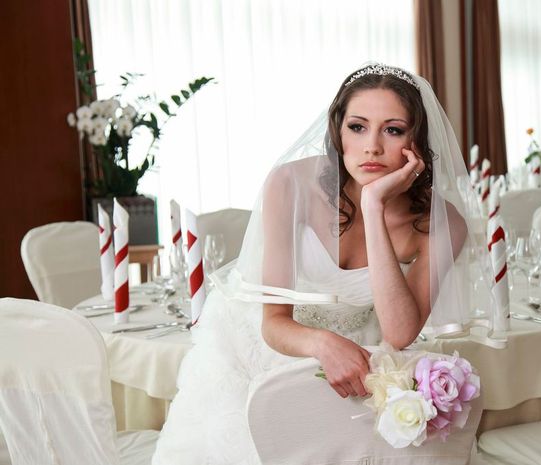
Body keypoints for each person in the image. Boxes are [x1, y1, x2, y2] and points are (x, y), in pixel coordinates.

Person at [151, 64, 492, 465]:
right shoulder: (291, 184)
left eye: (393, 130)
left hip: (359, 349)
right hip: (257, 343)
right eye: (358, 127)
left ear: (416, 140)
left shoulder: (443, 223)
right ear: (338, 131)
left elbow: (400, 333)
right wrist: (322, 343)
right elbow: (273, 322)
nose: (372, 147)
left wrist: (373, 205)